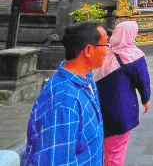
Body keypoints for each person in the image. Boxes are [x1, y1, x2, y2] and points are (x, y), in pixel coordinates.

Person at [22, 21, 108, 166]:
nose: (108, 51)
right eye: (105, 45)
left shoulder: (86, 80)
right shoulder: (65, 102)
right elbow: (56, 161)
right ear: (88, 50)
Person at [93, 21, 151, 166]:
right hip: (121, 112)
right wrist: (146, 99)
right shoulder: (134, 55)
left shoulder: (103, 53)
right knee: (115, 151)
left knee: (103, 148)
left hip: (98, 109)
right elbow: (143, 80)